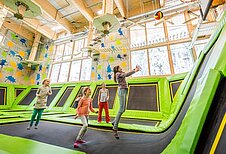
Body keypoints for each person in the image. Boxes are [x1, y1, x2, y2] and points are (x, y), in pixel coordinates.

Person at [112, 65, 140, 139]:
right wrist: (135, 70)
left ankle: (114, 121)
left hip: (124, 90)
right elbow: (126, 74)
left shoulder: (120, 74)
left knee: (123, 109)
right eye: (119, 68)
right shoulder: (118, 74)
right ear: (117, 70)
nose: (121, 68)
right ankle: (115, 128)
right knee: (121, 109)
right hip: (122, 91)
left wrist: (135, 69)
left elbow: (126, 74)